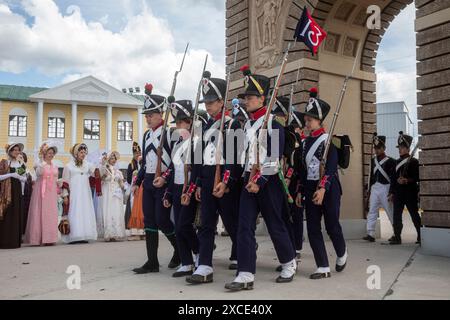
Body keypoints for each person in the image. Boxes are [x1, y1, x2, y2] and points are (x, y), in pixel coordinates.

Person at [224, 66, 297, 291]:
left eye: (251, 97)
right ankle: (245, 273)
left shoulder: (274, 122)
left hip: (268, 181)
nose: (247, 101)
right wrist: (230, 180)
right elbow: (241, 157)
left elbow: (274, 159)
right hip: (249, 179)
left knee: (275, 225)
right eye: (246, 97)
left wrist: (260, 182)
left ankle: (288, 263)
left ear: (263, 98)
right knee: (244, 226)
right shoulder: (246, 124)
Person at [185, 72, 242, 285]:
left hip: (225, 181)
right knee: (205, 225)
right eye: (206, 102)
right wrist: (199, 183)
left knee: (233, 225)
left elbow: (235, 160)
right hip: (208, 180)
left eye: (211, 102)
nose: (207, 106)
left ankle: (244, 260)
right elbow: (199, 160)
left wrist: (226, 181)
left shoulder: (232, 125)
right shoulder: (205, 126)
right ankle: (205, 266)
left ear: (222, 102)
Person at [297, 88, 347, 280]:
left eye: (310, 120)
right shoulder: (304, 143)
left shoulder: (329, 141)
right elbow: (302, 170)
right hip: (309, 188)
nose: (307, 123)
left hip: (329, 189)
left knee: (332, 225)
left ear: (319, 120)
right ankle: (323, 266)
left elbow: (332, 169)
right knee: (312, 228)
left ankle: (342, 253)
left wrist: (323, 189)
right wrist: (301, 190)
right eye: (306, 120)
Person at [132, 83, 180, 274]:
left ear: (161, 114)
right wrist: (137, 182)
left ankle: (179, 250)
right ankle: (152, 261)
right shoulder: (145, 136)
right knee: (149, 222)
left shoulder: (169, 134)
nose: (148, 118)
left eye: (151, 114)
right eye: (146, 115)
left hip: (164, 182)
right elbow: (145, 164)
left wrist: (165, 179)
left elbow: (175, 163)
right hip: (149, 182)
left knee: (162, 220)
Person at [163, 99, 200, 277]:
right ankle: (186, 262)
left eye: (181, 122)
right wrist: (169, 192)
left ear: (190, 122)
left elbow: (198, 169)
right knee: (178, 227)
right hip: (177, 187)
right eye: (176, 123)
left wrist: (192, 188)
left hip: (189, 187)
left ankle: (200, 253)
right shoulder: (176, 142)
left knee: (185, 225)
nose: (178, 126)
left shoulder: (197, 141)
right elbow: (174, 168)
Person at [61, 143, 98, 244]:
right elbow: (65, 182)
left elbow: (97, 174)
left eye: (84, 152)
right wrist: (65, 195)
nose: (83, 154)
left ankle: (83, 235)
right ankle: (74, 236)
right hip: (74, 193)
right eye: (81, 152)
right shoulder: (68, 166)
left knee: (84, 211)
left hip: (85, 193)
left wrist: (103, 164)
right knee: (74, 211)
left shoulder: (88, 165)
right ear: (75, 153)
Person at [24, 142, 59, 246]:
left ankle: (49, 238)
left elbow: (55, 178)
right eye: (49, 153)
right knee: (39, 211)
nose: (51, 155)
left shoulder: (54, 166)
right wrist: (41, 163)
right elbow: (39, 173)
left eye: (52, 153)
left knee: (50, 212)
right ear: (44, 153)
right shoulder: (39, 164)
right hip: (41, 191)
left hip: (51, 191)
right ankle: (37, 238)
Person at [389, 131, 421, 245]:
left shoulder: (414, 161)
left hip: (410, 192)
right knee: (396, 215)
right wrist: (391, 192)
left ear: (407, 148)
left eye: (402, 147)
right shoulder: (396, 162)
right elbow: (393, 179)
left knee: (414, 214)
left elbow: (417, 177)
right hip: (398, 193)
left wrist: (407, 180)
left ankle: (420, 235)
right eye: (399, 147)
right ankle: (397, 236)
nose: (399, 149)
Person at [363, 133, 396, 242]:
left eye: (379, 148)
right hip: (375, 188)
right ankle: (370, 233)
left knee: (390, 211)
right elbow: (371, 176)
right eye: (375, 148)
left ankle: (396, 232)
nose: (376, 150)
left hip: (385, 188)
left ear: (384, 148)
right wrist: (368, 188)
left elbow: (393, 178)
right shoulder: (373, 161)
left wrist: (392, 191)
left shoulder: (391, 161)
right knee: (372, 210)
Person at [0, 143, 28, 249]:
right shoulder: (5, 162)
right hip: (6, 192)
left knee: (16, 215)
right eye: (14, 150)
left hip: (17, 192)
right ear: (10, 151)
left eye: (18, 150)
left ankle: (14, 242)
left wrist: (20, 177)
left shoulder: (20, 164)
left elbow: (24, 178)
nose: (16, 152)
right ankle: (4, 241)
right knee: (7, 215)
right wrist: (11, 175)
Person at [100, 151, 126, 242]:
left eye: (115, 159)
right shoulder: (104, 170)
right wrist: (104, 174)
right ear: (108, 159)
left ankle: (116, 233)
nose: (113, 160)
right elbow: (101, 180)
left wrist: (123, 186)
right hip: (107, 192)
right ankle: (109, 233)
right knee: (108, 210)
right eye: (111, 158)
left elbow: (122, 184)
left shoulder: (118, 171)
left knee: (116, 211)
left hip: (116, 193)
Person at [127, 142, 145, 241]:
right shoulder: (131, 165)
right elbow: (129, 179)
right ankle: (136, 231)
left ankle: (143, 232)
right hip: (135, 189)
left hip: (144, 188)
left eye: (139, 152)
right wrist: (134, 176)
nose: (138, 154)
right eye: (136, 153)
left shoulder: (143, 162)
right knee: (135, 209)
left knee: (143, 209)